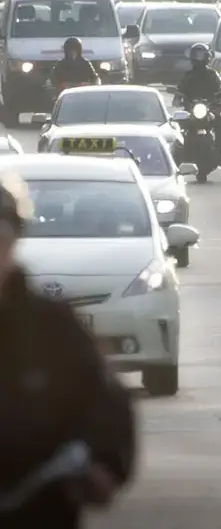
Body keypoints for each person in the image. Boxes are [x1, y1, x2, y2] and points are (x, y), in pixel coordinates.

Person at [0, 175, 136, 527]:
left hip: (38, 510)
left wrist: (104, 465)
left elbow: (104, 404)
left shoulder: (53, 328)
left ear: (12, 244)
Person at [176, 43, 221, 165]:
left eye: (201, 55)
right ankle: (180, 154)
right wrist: (178, 97)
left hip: (208, 109)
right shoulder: (188, 76)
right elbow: (179, 90)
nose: (198, 58)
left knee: (220, 122)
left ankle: (219, 151)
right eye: (196, 55)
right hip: (191, 110)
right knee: (179, 125)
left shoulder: (213, 75)